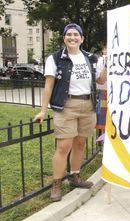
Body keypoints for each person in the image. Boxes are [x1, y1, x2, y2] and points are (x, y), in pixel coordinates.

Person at [34, 23, 107, 202]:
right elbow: (49, 85)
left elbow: (101, 79)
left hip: (87, 105)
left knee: (80, 143)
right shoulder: (56, 58)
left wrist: (107, 62)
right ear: (64, 38)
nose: (72, 37)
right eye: (69, 34)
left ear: (82, 39)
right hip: (66, 106)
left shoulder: (91, 58)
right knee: (63, 146)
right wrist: (43, 111)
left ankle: (74, 176)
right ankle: (57, 183)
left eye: (76, 35)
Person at [95, 45, 107, 134]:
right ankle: (103, 139)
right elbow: (99, 77)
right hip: (103, 92)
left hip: (112, 92)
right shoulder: (100, 61)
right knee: (103, 119)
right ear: (103, 50)